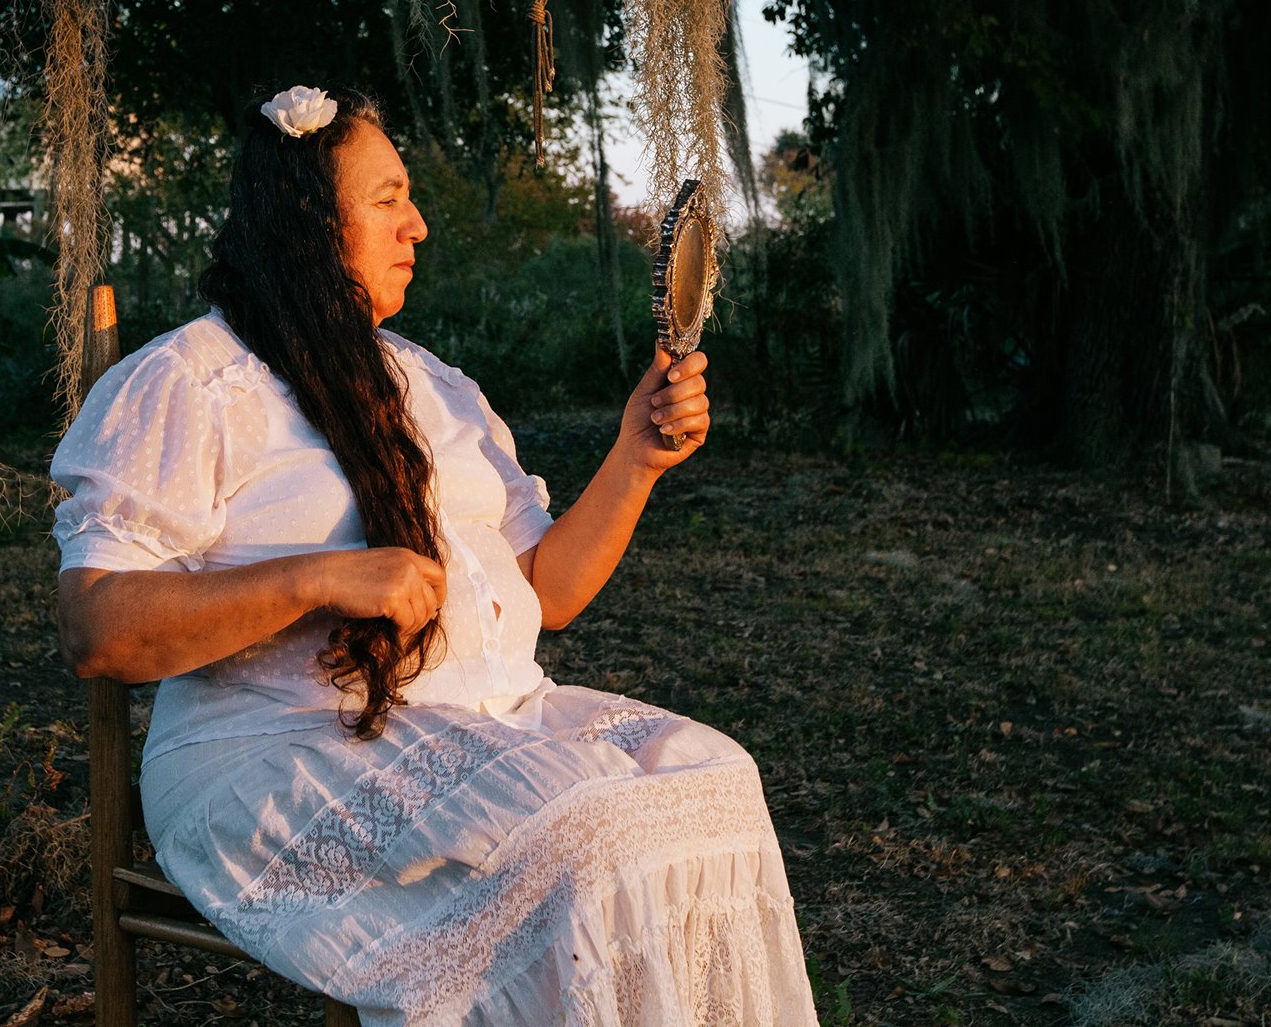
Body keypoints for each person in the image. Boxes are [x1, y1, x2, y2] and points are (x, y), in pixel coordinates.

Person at [53, 86, 819, 1026]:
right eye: (386, 199)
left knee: (715, 780)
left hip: (485, 723)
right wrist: (318, 579)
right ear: (303, 219)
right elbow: (96, 627)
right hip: (278, 751)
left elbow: (549, 592)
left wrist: (636, 458)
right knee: (584, 823)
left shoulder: (436, 387)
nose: (417, 224)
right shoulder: (192, 383)